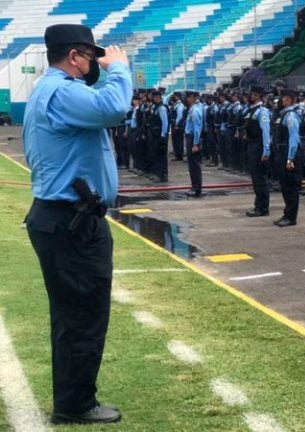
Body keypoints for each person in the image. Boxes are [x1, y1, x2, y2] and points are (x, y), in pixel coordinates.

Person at [23, 24, 131, 424]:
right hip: (73, 219)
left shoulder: (51, 91)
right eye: (90, 57)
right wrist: (119, 69)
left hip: (64, 217)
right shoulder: (65, 91)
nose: (94, 65)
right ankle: (75, 404)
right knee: (83, 314)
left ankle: (73, 396)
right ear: (74, 57)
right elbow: (114, 108)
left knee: (73, 315)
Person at [272, 89, 302, 227]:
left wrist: (290, 158)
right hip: (281, 152)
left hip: (288, 153)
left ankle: (291, 217)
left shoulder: (290, 116)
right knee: (285, 185)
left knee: (291, 187)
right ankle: (287, 213)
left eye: (283, 98)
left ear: (289, 100)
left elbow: (293, 138)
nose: (280, 101)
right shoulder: (284, 114)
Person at [243, 85, 272, 217]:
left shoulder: (262, 111)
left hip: (259, 146)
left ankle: (263, 207)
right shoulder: (252, 110)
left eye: (253, 95)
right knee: (255, 178)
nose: (250, 97)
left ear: (259, 96)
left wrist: (266, 151)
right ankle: (258, 205)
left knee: (260, 179)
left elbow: (266, 132)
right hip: (252, 145)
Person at [184, 91, 204, 198]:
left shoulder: (195, 111)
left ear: (192, 98)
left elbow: (197, 129)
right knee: (191, 165)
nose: (187, 99)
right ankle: (194, 186)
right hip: (190, 138)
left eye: (188, 97)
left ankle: (197, 188)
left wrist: (195, 144)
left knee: (195, 165)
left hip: (193, 139)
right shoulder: (193, 109)